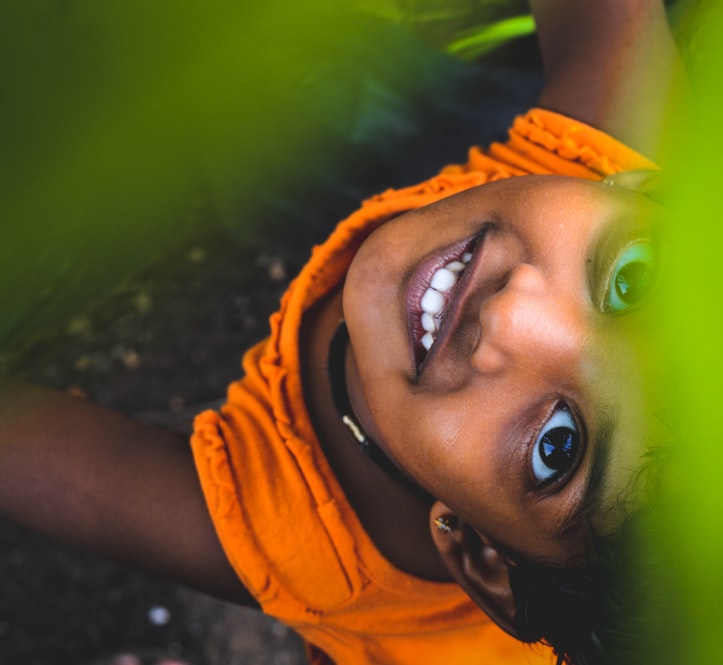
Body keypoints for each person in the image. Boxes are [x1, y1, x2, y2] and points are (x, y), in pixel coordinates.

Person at [0, 1, 682, 663]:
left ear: (482, 558)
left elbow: (46, 457)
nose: (514, 312)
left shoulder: (297, 537)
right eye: (633, 283)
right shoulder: (607, 156)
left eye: (556, 448)